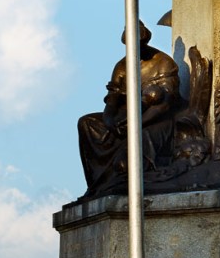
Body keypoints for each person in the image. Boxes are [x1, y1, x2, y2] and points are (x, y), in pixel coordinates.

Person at [78, 21, 181, 196]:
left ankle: (123, 179)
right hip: (126, 116)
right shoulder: (122, 66)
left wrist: (136, 123)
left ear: (145, 41)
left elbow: (165, 105)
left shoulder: (163, 63)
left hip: (155, 120)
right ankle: (96, 184)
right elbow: (112, 100)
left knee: (125, 164)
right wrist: (110, 121)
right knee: (86, 123)